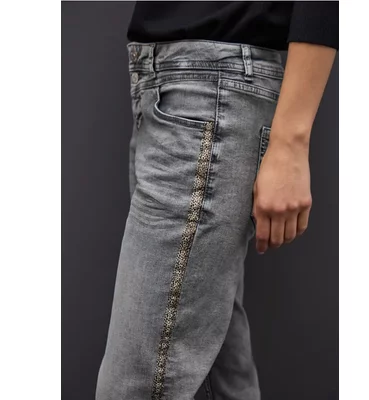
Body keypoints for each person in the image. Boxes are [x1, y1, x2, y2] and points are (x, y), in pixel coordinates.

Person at [95, 2, 339, 399]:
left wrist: (291, 139)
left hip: (210, 92)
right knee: (221, 383)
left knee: (134, 387)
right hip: (170, 87)